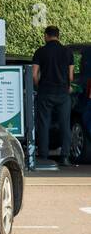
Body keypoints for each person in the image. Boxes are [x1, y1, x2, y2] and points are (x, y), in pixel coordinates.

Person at [32, 25, 75, 166]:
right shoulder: (67, 52)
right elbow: (71, 76)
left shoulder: (40, 52)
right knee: (65, 124)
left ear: (46, 36)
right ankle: (65, 157)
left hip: (45, 92)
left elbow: (34, 74)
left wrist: (39, 86)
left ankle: (43, 156)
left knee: (43, 123)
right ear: (58, 36)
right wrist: (67, 87)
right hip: (63, 93)